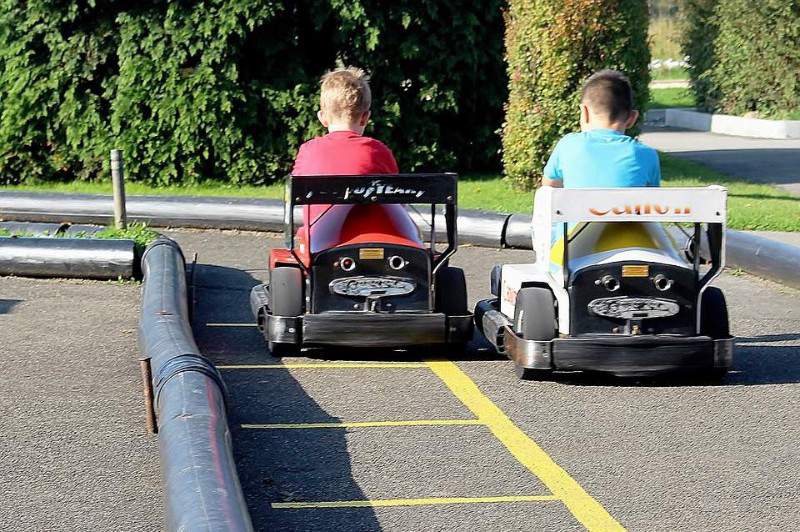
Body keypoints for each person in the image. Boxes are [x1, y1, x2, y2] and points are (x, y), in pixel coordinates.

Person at [291, 67, 418, 254]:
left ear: (322, 118)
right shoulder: (378, 151)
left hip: (322, 241)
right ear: (365, 117)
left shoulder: (308, 150)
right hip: (381, 239)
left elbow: (298, 195)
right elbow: (396, 199)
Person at [542, 69, 660, 189]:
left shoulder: (568, 146)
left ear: (584, 112)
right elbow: (651, 200)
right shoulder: (646, 155)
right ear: (632, 118)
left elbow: (549, 191)